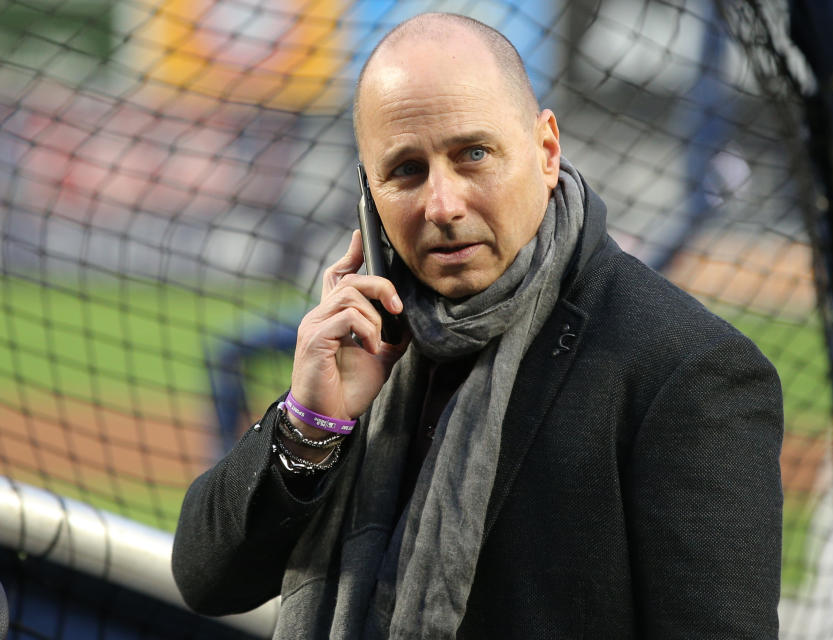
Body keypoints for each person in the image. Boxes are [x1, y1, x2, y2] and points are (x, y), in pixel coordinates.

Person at [172, 12, 783, 639]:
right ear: (369, 193)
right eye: (406, 170)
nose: (443, 205)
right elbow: (208, 579)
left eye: (474, 154)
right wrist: (311, 423)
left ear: (546, 151)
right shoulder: (370, 334)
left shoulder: (687, 371)